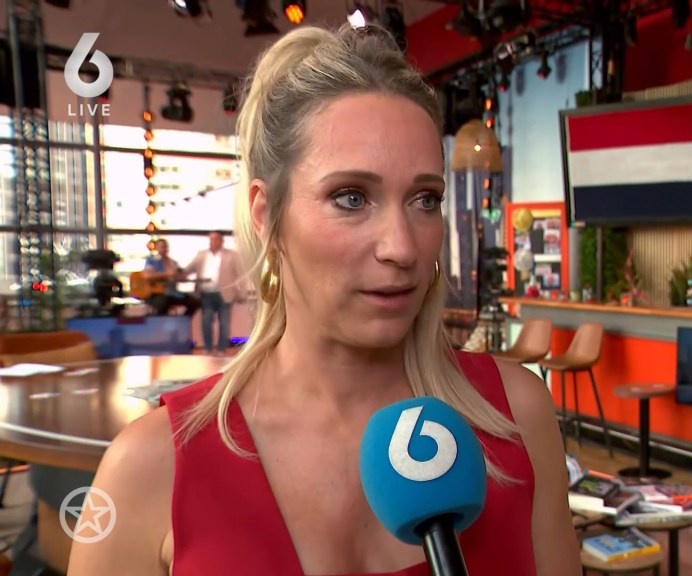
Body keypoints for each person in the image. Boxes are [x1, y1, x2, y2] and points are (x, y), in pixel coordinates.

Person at [68, 23, 580, 576]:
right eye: (351, 197)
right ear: (267, 215)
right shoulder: (149, 468)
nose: (402, 247)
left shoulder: (517, 417)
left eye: (424, 199)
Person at [183, 231, 248, 355]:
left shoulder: (232, 255)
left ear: (221, 240)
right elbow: (189, 269)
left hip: (225, 294)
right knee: (206, 321)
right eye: (211, 239)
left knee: (224, 322)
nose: (213, 241)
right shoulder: (201, 255)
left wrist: (242, 293)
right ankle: (208, 349)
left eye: (216, 239)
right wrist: (179, 274)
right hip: (206, 294)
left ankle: (221, 349)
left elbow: (241, 275)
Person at [142, 238, 200, 316]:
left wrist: (181, 278)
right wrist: (166, 274)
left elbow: (178, 275)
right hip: (157, 294)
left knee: (194, 302)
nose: (164, 249)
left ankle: (182, 319)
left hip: (173, 293)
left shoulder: (173, 262)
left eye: (166, 247)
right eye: (162, 247)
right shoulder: (152, 261)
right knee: (162, 304)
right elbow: (147, 275)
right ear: (157, 248)